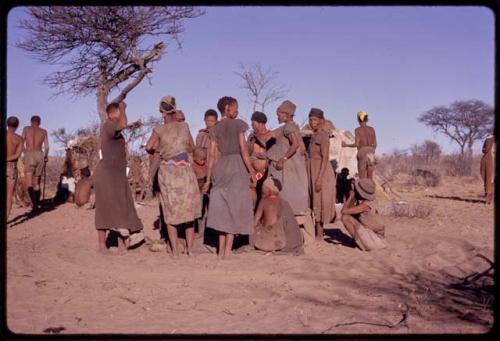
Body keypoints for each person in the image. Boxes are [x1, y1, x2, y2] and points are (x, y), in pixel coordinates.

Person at [146, 96, 201, 257]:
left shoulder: (159, 129)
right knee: (189, 210)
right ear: (175, 109)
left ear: (162, 112)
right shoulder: (184, 126)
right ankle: (190, 250)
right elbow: (192, 147)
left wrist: (160, 150)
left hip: (168, 172)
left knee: (170, 210)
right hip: (185, 170)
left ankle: (175, 251)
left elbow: (149, 146)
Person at [203, 96, 255, 260]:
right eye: (235, 107)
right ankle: (227, 252)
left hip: (221, 167)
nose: (237, 110)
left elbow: (211, 155)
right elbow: (244, 151)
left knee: (222, 210)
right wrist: (252, 171)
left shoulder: (215, 129)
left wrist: (208, 179)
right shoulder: (238, 125)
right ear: (227, 108)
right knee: (233, 209)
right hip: (237, 168)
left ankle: (220, 252)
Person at [94, 101, 144, 254]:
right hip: (107, 175)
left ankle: (122, 244)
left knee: (121, 208)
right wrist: (122, 107)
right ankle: (102, 245)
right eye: (119, 112)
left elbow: (122, 125)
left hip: (117, 175)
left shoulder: (114, 129)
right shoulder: (108, 125)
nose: (121, 115)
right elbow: (123, 124)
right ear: (112, 113)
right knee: (105, 209)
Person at [267, 100, 309, 217]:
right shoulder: (291, 126)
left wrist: (283, 159)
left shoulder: (288, 127)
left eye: (279, 114)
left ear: (286, 114)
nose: (277, 117)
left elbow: (295, 144)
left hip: (289, 164)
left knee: (288, 193)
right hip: (293, 164)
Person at [253, 177, 304, 255]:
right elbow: (291, 225)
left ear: (269, 190)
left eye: (264, 188)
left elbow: (255, 222)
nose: (262, 190)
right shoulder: (284, 203)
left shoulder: (263, 201)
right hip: (281, 240)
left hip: (265, 241)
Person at [307, 108, 337, 241]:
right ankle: (316, 231)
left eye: (314, 120)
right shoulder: (313, 136)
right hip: (313, 171)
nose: (312, 122)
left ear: (321, 121)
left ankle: (319, 233)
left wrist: (319, 178)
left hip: (321, 172)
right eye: (310, 119)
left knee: (320, 201)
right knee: (315, 200)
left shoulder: (323, 136)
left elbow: (325, 157)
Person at [340, 178, 387, 251]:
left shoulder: (364, 206)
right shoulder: (372, 201)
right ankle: (359, 241)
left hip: (375, 242)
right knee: (353, 217)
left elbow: (343, 211)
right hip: (380, 239)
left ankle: (359, 243)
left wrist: (350, 197)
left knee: (345, 218)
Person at [247, 111, 275, 207]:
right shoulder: (251, 137)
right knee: (251, 191)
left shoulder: (271, 135)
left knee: (265, 192)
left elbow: (272, 155)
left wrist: (258, 155)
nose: (252, 126)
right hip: (253, 171)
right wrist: (253, 140)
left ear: (261, 124)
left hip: (266, 171)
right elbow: (247, 152)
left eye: (253, 124)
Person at [22, 115, 49, 211]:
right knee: (36, 182)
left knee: (29, 182)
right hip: (39, 155)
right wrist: (45, 157)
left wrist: (25, 153)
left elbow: (21, 143)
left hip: (29, 154)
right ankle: (36, 203)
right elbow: (46, 147)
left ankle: (33, 204)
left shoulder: (26, 129)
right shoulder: (43, 131)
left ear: (31, 122)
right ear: (39, 122)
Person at [342, 111, 377, 179]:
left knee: (362, 178)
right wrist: (371, 152)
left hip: (362, 153)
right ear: (366, 119)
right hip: (371, 153)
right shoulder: (372, 129)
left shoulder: (358, 130)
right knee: (370, 179)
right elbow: (375, 144)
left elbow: (356, 144)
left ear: (358, 120)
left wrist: (345, 145)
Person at [6, 116, 24, 219]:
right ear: (17, 126)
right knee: (9, 195)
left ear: (6, 124)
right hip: (11, 167)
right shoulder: (19, 139)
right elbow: (17, 155)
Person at [192, 147, 208, 241]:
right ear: (194, 158)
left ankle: (202, 231)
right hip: (196, 194)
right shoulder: (192, 167)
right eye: (201, 159)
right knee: (196, 213)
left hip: (205, 193)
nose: (203, 161)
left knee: (204, 213)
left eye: (205, 159)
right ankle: (195, 231)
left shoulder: (206, 167)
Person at [480, 134, 495, 205]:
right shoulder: (488, 140)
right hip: (489, 162)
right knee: (488, 180)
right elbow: (484, 149)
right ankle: (488, 199)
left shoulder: (489, 140)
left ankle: (489, 199)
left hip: (492, 163)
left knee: (489, 181)